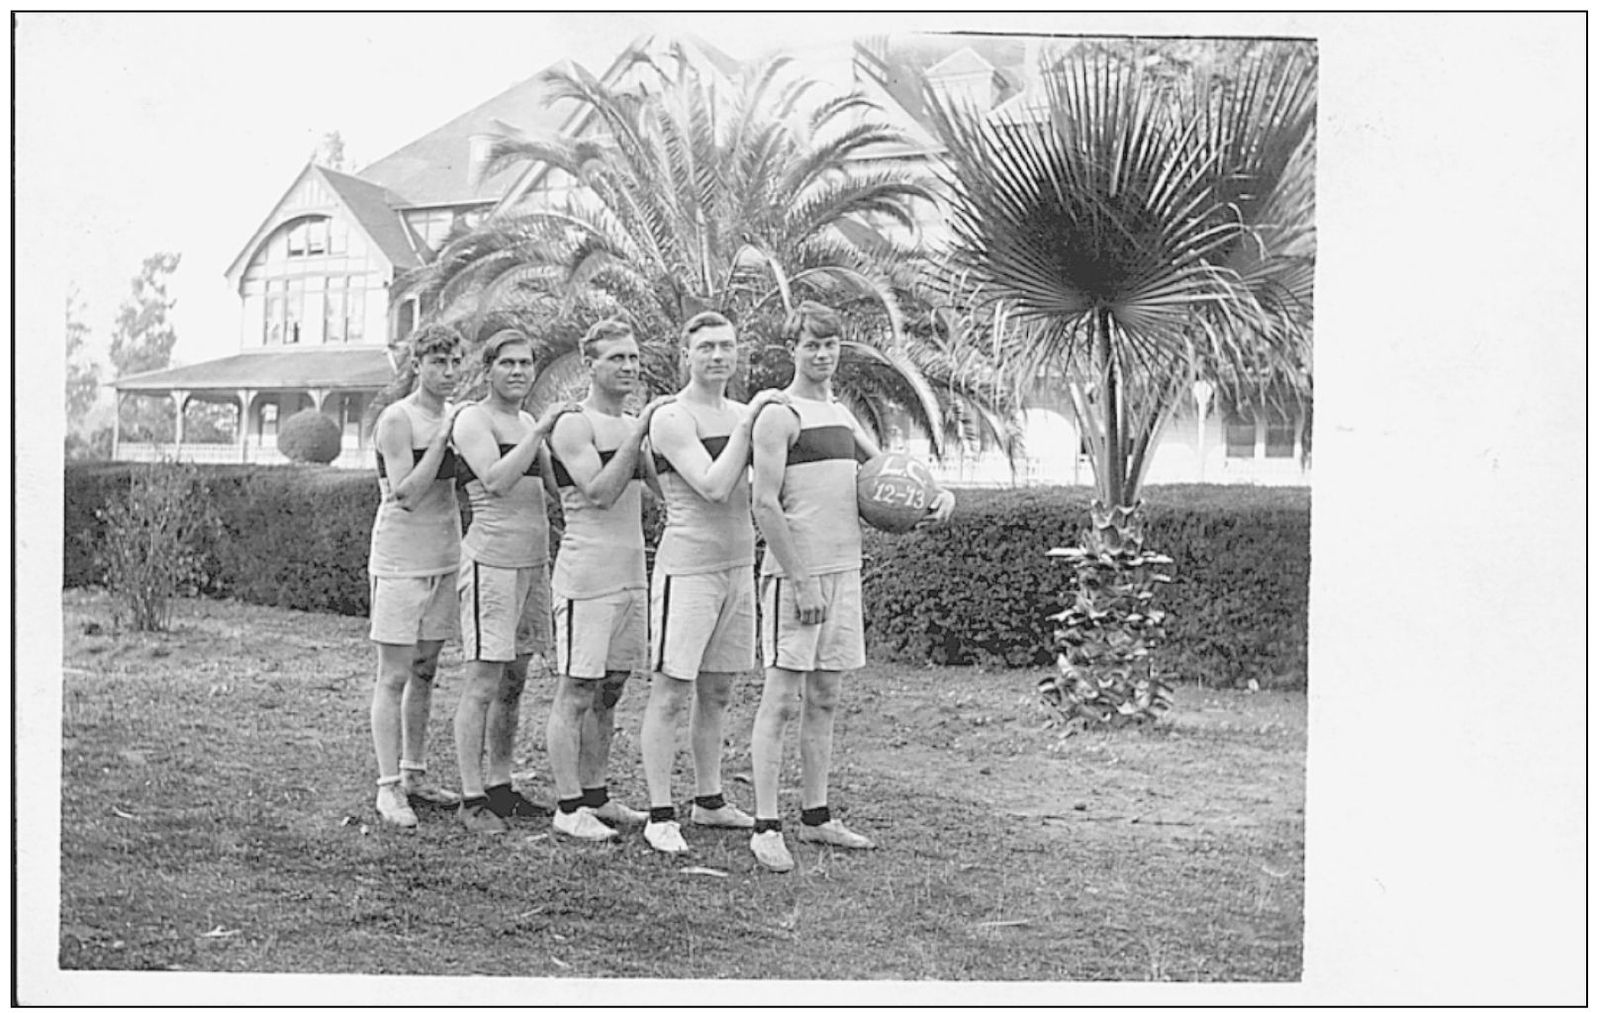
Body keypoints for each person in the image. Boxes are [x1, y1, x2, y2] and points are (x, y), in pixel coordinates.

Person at [747, 302, 954, 872]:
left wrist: (936, 500)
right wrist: (800, 579)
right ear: (792, 350)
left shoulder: (839, 415)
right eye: (811, 344)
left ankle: (816, 817)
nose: (822, 354)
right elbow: (764, 504)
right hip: (798, 579)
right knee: (781, 700)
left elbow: (888, 474)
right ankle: (766, 826)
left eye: (831, 343)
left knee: (826, 698)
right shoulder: (777, 414)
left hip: (844, 573)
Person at [637, 312, 787, 854]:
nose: (718, 356)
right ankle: (659, 812)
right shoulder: (672, 418)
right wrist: (751, 427)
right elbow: (715, 485)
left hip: (737, 567)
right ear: (687, 354)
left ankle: (709, 798)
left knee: (718, 690)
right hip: (690, 569)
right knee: (672, 690)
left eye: (726, 346)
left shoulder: (744, 413)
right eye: (706, 347)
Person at [545, 319, 672, 842]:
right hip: (586, 573)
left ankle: (596, 795)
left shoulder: (630, 428)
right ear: (590, 364)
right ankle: (567, 804)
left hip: (629, 573)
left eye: (634, 357)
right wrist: (639, 434)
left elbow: (665, 491)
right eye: (616, 358)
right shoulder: (575, 424)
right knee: (576, 688)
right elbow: (597, 491)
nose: (629, 367)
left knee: (612, 688)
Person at [450, 329, 574, 834]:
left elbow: (555, 484)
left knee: (515, 682)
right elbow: (496, 480)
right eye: (508, 363)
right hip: (490, 563)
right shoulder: (472, 420)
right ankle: (470, 795)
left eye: (526, 363)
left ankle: (501, 787)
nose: (519, 372)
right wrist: (541, 429)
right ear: (489, 370)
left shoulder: (525, 422)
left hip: (532, 563)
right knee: (482, 680)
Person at [366, 322, 468, 829]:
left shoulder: (457, 415)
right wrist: (447, 437)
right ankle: (388, 787)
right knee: (395, 674)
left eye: (455, 363)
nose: (448, 373)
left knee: (427, 669)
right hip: (401, 560)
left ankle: (414, 772)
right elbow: (405, 492)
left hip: (445, 555)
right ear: (417, 366)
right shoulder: (397, 419)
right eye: (438, 363)